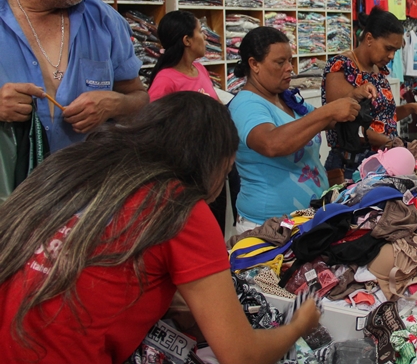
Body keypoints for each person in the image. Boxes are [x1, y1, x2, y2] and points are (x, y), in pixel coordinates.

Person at [0, 92, 320, 363]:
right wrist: (299, 324)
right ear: (214, 160)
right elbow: (239, 354)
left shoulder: (75, 167)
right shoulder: (177, 206)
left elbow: (102, 272)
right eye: (227, 168)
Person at [0, 0, 148, 152]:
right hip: (12, 187)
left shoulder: (105, 20)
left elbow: (139, 98)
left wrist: (115, 104)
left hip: (88, 183)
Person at [229, 27, 369, 232]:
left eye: (290, 61)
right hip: (267, 227)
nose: (290, 69)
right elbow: (272, 144)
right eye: (280, 62)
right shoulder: (246, 104)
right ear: (254, 64)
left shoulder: (287, 98)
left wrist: (353, 98)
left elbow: (323, 121)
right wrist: (328, 111)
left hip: (301, 220)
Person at [322, 9, 417, 176]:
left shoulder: (377, 69)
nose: (391, 56)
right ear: (369, 38)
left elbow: (383, 117)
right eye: (388, 48)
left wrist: (412, 108)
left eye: (396, 51)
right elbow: (343, 123)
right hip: (352, 165)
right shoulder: (341, 67)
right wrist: (391, 143)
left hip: (384, 159)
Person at [148, 11, 218, 101]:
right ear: (187, 40)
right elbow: (153, 114)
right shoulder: (165, 80)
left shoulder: (200, 69)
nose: (205, 36)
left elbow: (217, 106)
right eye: (200, 31)